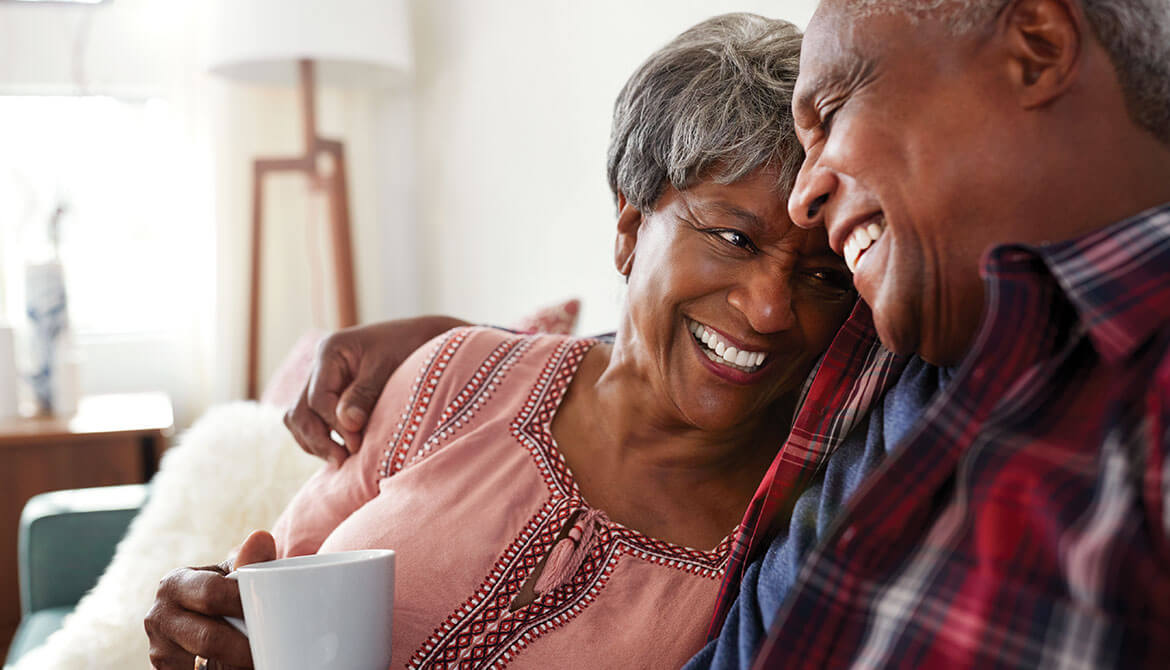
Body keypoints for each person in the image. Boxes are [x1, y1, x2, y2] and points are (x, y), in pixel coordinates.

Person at [287, 0, 1170, 667]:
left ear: (1039, 49)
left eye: (834, 112)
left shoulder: (871, 374)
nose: (809, 189)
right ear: (628, 225)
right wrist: (468, 351)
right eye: (736, 237)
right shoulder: (918, 359)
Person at [145, 14, 859, 670]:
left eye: (824, 274)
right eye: (733, 238)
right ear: (631, 224)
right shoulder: (454, 374)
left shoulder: (793, 542)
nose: (770, 309)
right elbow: (274, 591)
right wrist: (209, 625)